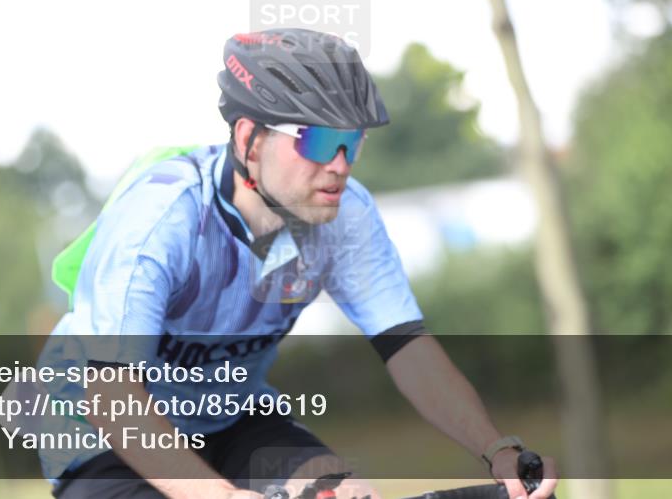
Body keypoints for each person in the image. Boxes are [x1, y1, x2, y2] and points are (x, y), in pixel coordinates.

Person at [37, 28, 558, 499]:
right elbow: (110, 394)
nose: (339, 165)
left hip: (233, 415)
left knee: (345, 496)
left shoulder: (345, 215)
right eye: (318, 139)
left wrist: (498, 450)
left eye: (352, 142)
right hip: (97, 429)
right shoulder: (160, 220)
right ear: (248, 139)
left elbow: (409, 350)